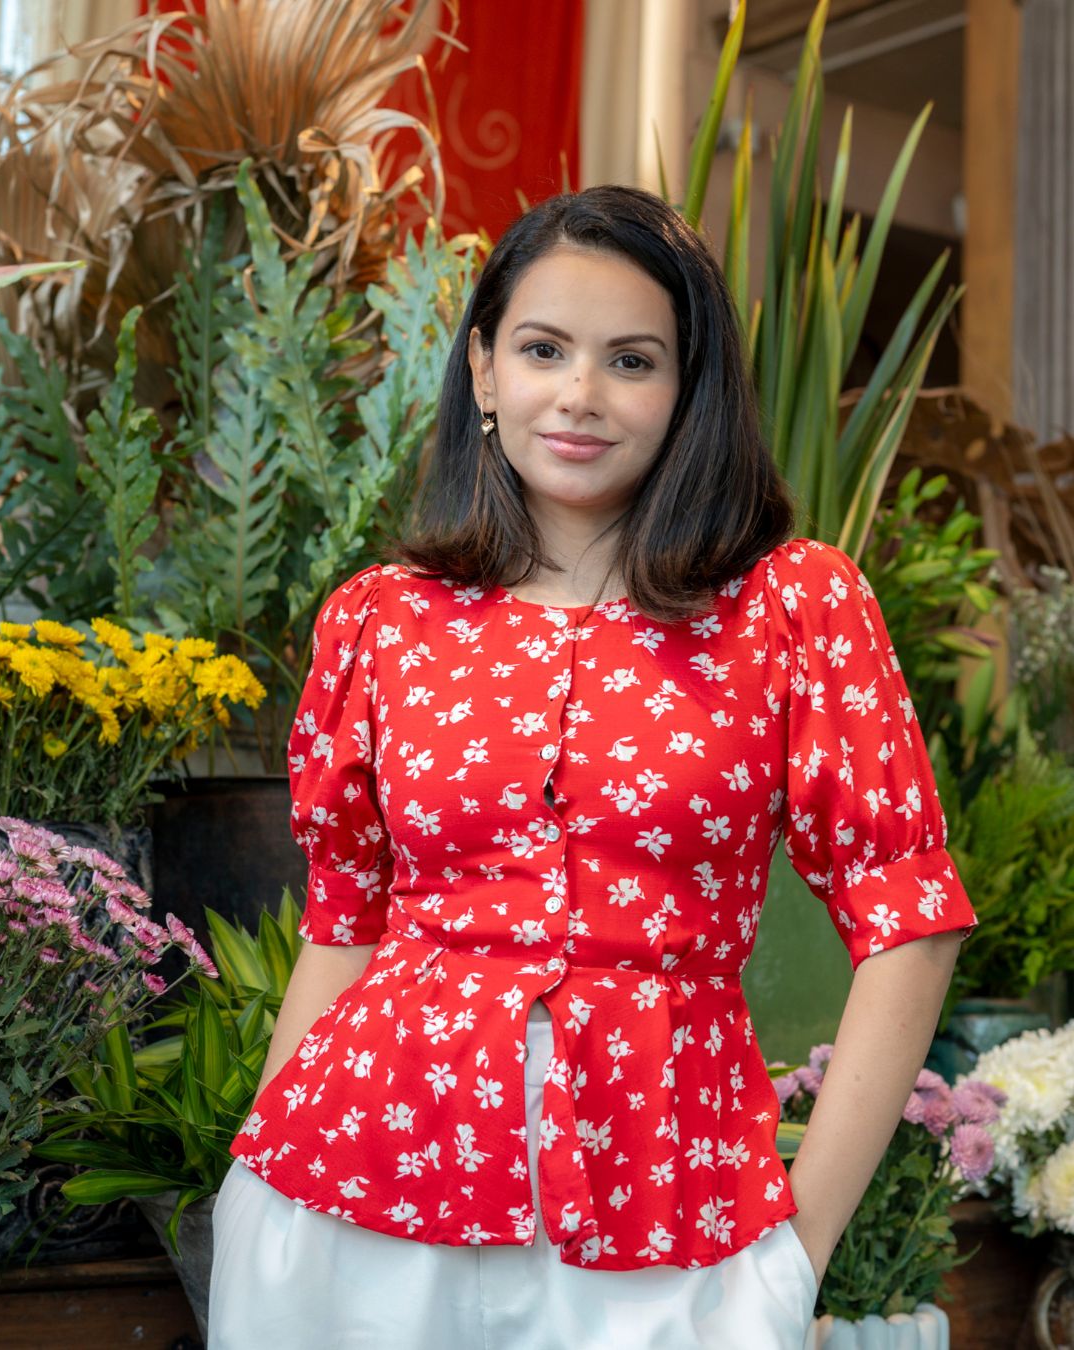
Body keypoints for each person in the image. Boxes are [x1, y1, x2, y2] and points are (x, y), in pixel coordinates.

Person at [207, 185, 978, 1349]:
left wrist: (797, 1251)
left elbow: (910, 918)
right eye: (542, 349)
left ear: (689, 389)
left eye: (631, 360)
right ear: (483, 370)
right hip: (345, 1207)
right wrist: (252, 1186)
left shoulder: (794, 609)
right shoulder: (381, 620)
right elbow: (345, 925)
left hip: (669, 1220)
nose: (580, 393)